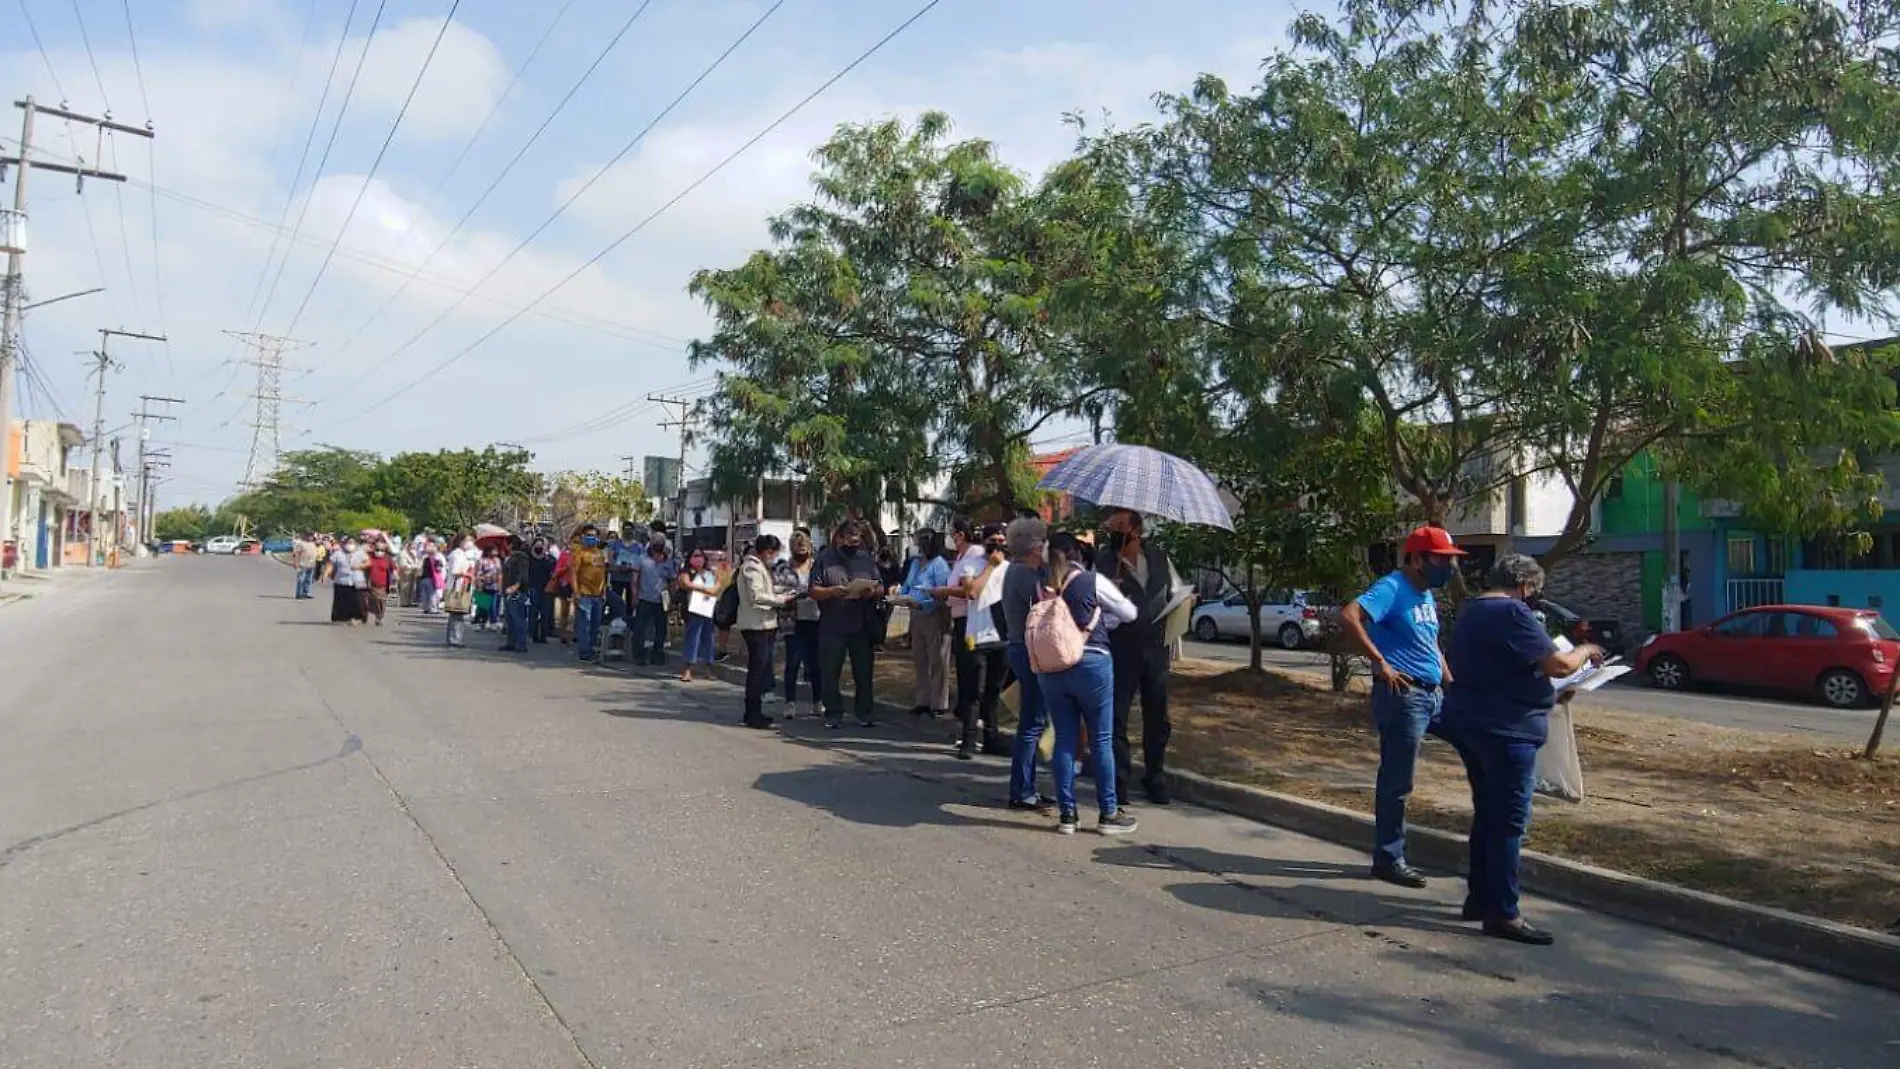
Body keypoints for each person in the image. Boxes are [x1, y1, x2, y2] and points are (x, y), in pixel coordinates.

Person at [1441, 554, 1602, 945]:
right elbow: (1559, 664)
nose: (1534, 598)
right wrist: (1586, 652)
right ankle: (1504, 912)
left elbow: (1503, 666)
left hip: (1472, 724)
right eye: (1534, 590)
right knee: (1509, 821)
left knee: (1487, 815)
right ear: (1522, 583)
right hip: (1507, 731)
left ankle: (1480, 898)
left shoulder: (1472, 610)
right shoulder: (1511, 612)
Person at [1338, 525, 1463, 888]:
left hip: (1433, 695)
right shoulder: (1392, 588)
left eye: (1451, 561)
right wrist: (1380, 661)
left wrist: (1450, 682)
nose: (1448, 568)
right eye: (1442, 561)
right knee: (1398, 780)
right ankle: (1388, 858)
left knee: (1476, 742)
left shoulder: (1425, 594)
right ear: (1416, 558)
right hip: (1403, 697)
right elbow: (1348, 616)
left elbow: (1431, 644)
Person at [1036, 531, 1140, 836]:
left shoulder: (1042, 585)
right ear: (1077, 553)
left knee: (1065, 740)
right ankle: (1108, 813)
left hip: (1053, 666)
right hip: (1091, 662)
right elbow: (1129, 613)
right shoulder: (1093, 581)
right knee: (1101, 740)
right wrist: (1103, 612)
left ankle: (1068, 815)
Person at [1096, 509, 1184, 806]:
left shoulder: (1158, 557)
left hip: (1156, 647)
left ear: (1136, 530)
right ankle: (1118, 782)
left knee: (1157, 716)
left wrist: (1185, 601)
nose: (1114, 531)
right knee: (1117, 715)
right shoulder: (1103, 562)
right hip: (1120, 648)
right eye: (1112, 526)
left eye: (1121, 526)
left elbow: (1175, 590)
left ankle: (1154, 777)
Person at [936, 517, 1003, 757]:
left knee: (993, 691)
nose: (997, 545)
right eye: (993, 540)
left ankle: (992, 737)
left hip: (1000, 635)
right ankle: (969, 739)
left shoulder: (1009, 565)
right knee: (973, 690)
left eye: (1001, 541)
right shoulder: (971, 563)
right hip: (976, 635)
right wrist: (991, 567)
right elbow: (971, 591)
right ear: (984, 541)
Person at [1001, 517, 1054, 811]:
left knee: (1035, 719)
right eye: (1044, 542)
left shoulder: (1025, 571)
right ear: (1035, 546)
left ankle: (1028, 785)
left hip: (1026, 648)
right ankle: (1021, 790)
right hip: (1028, 649)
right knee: (1032, 722)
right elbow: (1045, 605)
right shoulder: (1022, 574)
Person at [810, 519, 883, 729]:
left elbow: (880, 586)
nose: (853, 545)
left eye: (856, 541)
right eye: (849, 541)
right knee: (830, 671)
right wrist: (832, 592)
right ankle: (833, 713)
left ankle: (865, 712)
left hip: (860, 624)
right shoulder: (824, 560)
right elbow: (813, 591)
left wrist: (871, 591)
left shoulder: (865, 559)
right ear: (839, 537)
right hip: (832, 625)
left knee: (863, 671)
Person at [736, 534, 796, 728]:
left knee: (761, 669)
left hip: (765, 624)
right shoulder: (752, 567)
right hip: (756, 625)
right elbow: (757, 595)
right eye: (775, 552)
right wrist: (781, 601)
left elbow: (765, 590)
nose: (776, 556)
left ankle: (753, 711)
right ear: (768, 551)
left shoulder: (761, 566)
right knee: (757, 670)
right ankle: (752, 713)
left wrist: (782, 592)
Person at [893, 528, 952, 719]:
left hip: (933, 614)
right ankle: (922, 700)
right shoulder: (915, 563)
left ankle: (938, 702)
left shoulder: (940, 564)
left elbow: (942, 593)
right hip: (914, 613)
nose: (917, 545)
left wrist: (923, 603)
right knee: (920, 658)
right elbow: (908, 585)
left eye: (920, 541)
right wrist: (898, 594)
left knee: (937, 660)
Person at [774, 531, 824, 717]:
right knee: (793, 662)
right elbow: (777, 591)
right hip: (792, 620)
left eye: (804, 546)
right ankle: (790, 703)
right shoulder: (783, 569)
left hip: (816, 618)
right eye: (797, 546)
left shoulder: (817, 566)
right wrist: (791, 596)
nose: (801, 549)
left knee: (815, 663)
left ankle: (818, 701)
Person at [629, 536, 679, 667]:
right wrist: (634, 596)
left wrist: (673, 600)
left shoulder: (668, 562)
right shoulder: (641, 559)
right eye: (655, 543)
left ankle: (657, 654)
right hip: (644, 598)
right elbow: (634, 580)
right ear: (650, 545)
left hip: (661, 600)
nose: (657, 545)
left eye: (660, 543)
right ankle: (639, 655)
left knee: (661, 629)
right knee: (640, 628)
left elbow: (672, 582)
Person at [678, 547, 720, 682]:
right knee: (693, 638)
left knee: (709, 638)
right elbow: (686, 584)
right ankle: (687, 669)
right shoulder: (686, 572)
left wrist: (713, 588)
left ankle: (708, 668)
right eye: (695, 556)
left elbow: (716, 586)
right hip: (692, 609)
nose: (698, 558)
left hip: (707, 609)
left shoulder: (709, 573)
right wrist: (704, 589)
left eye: (700, 556)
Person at [569, 524, 610, 662]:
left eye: (593, 536)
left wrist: (603, 591)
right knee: (584, 624)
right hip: (584, 594)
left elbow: (603, 574)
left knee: (595, 624)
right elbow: (573, 574)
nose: (591, 538)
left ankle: (591, 648)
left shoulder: (599, 554)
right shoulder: (579, 554)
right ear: (583, 537)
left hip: (597, 595)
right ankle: (585, 651)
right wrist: (576, 593)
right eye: (588, 536)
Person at [500, 536, 533, 652]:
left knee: (518, 618)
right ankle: (511, 642)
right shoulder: (510, 557)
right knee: (509, 618)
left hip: (517, 592)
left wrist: (515, 586)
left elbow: (522, 575)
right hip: (508, 591)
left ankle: (521, 643)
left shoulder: (521, 557)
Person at [445, 538, 477, 648]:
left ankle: (454, 638)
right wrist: (467, 574)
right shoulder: (457, 554)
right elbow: (455, 571)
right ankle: (455, 639)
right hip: (457, 588)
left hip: (461, 587)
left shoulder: (461, 554)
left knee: (456, 615)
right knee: (457, 615)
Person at [527, 537, 557, 643]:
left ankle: (543, 635)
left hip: (547, 589)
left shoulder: (550, 559)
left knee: (545, 613)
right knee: (533, 612)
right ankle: (533, 634)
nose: (539, 547)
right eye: (537, 545)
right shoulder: (529, 558)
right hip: (533, 587)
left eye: (542, 545)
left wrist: (546, 558)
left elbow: (554, 573)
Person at [329, 538, 365, 625]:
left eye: (352, 543)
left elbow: (368, 562)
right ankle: (342, 618)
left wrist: (360, 566)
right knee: (342, 601)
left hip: (357, 580)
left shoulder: (360, 553)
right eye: (348, 543)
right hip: (342, 581)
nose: (350, 545)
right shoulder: (338, 553)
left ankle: (355, 618)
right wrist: (326, 573)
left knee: (356, 601)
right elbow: (330, 564)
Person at [363, 538, 393, 626]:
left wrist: (395, 575)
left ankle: (379, 618)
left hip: (382, 585)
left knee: (380, 602)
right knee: (366, 601)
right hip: (369, 584)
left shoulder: (388, 558)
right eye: (377, 549)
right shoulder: (369, 556)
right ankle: (362, 616)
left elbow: (393, 569)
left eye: (381, 550)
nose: (379, 551)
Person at [473, 545, 503, 630]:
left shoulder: (497, 560)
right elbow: (478, 573)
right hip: (483, 585)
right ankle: (480, 622)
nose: (495, 552)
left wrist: (500, 584)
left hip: (494, 586)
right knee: (482, 606)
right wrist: (480, 582)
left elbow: (500, 573)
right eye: (494, 550)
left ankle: (493, 621)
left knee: (493, 605)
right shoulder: (481, 560)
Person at [292, 534, 319, 599]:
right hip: (303, 564)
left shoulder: (313, 544)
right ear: (305, 536)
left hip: (311, 565)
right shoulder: (301, 544)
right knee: (301, 580)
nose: (311, 537)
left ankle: (305, 593)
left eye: (312, 536)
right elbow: (296, 554)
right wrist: (295, 563)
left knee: (308, 580)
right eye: (309, 536)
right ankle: (299, 594)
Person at [397, 538, 421, 608]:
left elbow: (417, 561)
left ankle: (409, 601)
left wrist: (417, 566)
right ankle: (404, 602)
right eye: (412, 546)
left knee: (412, 587)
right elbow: (403, 564)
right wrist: (413, 566)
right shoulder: (403, 553)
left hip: (413, 572)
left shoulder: (414, 553)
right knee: (405, 587)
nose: (414, 548)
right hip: (405, 573)